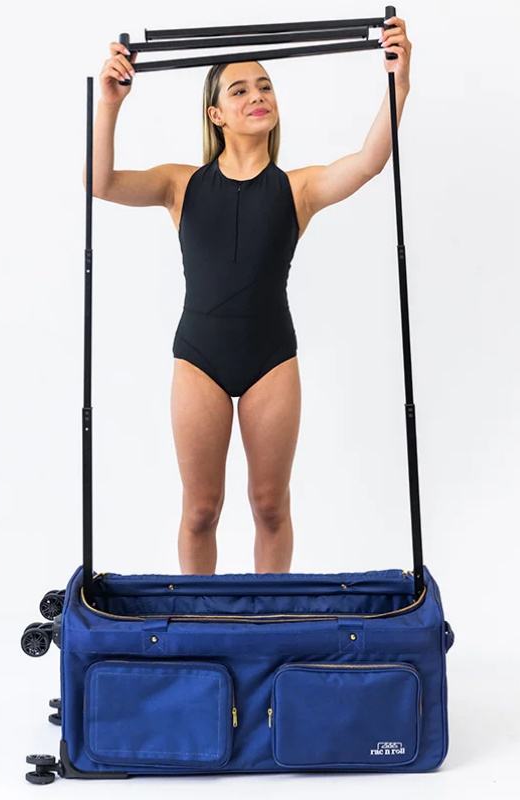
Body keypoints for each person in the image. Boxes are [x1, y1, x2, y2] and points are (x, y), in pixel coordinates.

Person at [84, 16, 412, 576]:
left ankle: (268, 618)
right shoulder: (180, 184)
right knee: (200, 511)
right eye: (239, 90)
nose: (257, 96)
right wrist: (109, 104)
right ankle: (200, 620)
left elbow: (367, 162)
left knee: (270, 506)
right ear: (216, 114)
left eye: (264, 86)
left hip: (271, 360)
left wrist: (397, 83)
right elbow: (101, 183)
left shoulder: (298, 188)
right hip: (199, 360)